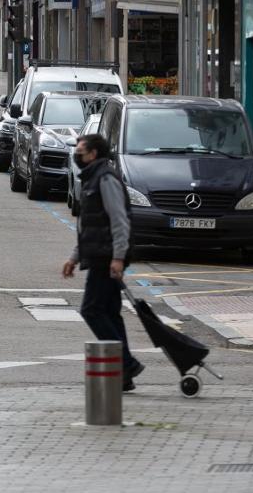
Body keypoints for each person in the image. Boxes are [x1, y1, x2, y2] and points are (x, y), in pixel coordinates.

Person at [61, 133, 144, 392]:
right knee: (109, 313)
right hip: (99, 255)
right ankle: (124, 376)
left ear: (94, 154)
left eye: (81, 151)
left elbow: (119, 221)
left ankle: (126, 363)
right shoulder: (92, 178)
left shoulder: (105, 178)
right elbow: (88, 226)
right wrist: (74, 257)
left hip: (107, 258)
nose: (77, 155)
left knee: (92, 310)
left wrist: (118, 258)